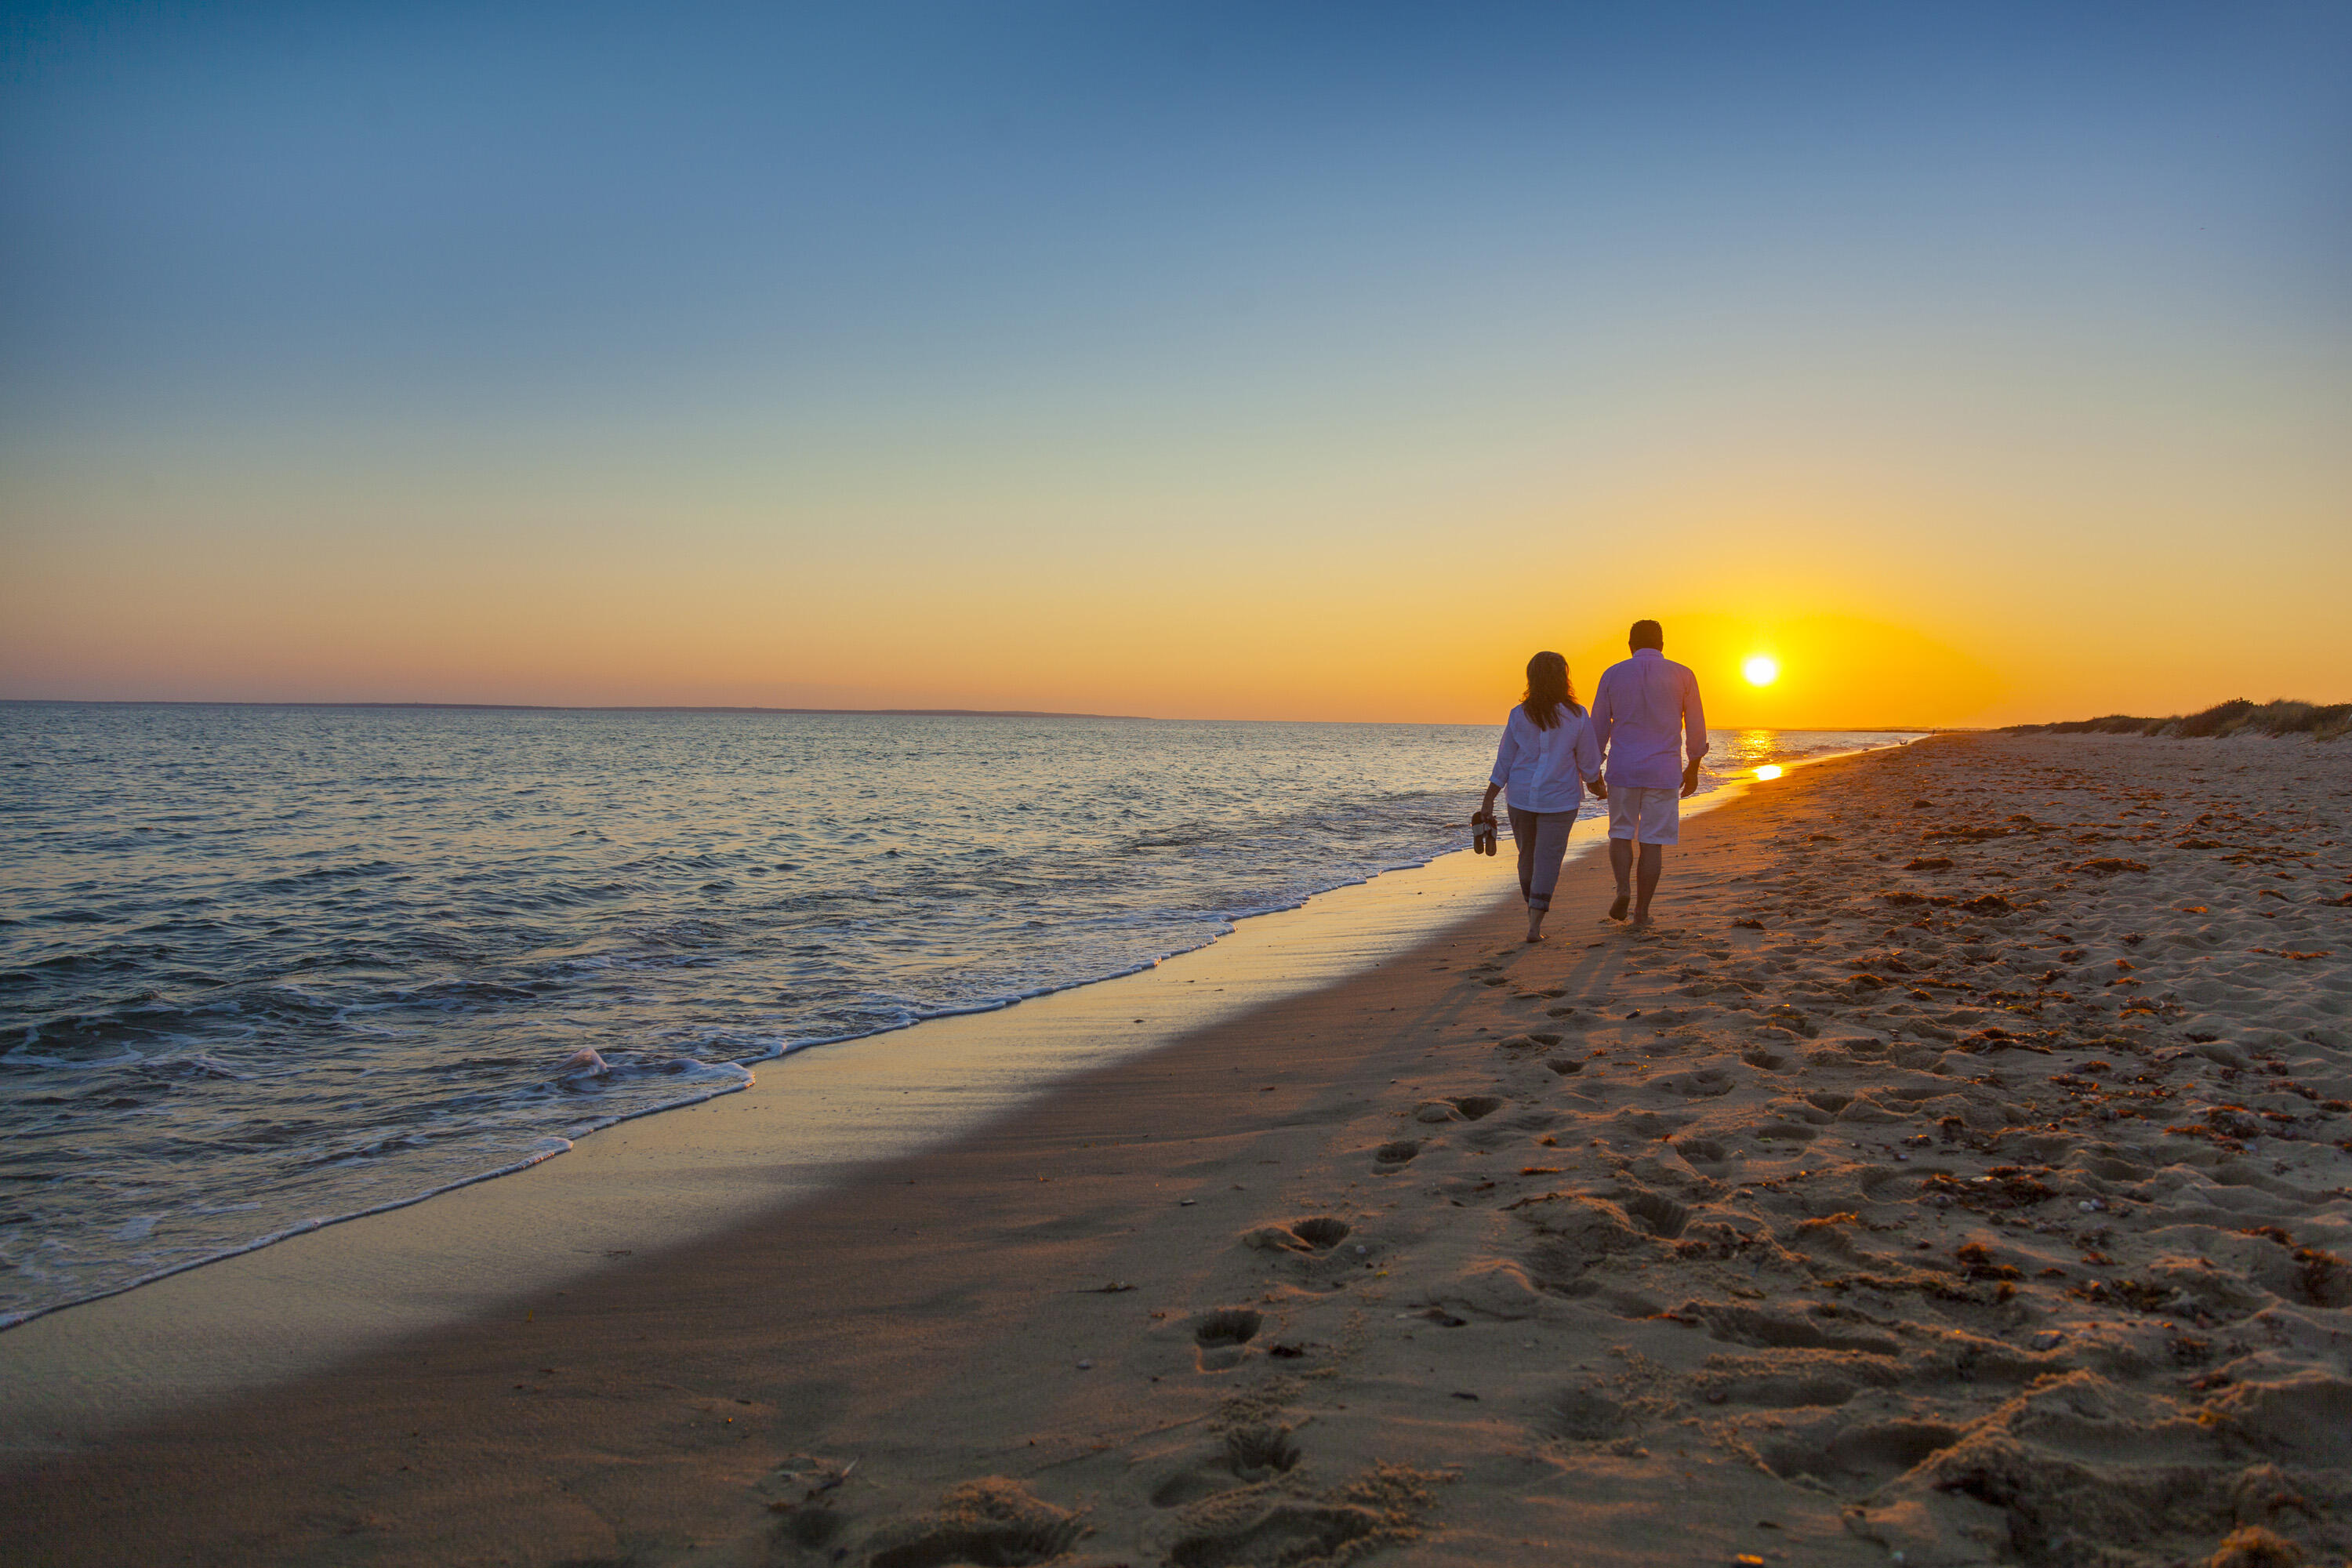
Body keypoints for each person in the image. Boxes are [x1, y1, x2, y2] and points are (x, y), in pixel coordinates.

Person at [1475, 651, 1603, 942]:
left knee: (1527, 858)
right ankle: (1534, 924)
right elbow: (1588, 763)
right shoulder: (1577, 715)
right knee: (1548, 860)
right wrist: (1597, 786)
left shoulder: (1519, 714)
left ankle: (1532, 907)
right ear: (1563, 678)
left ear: (1531, 678)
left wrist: (1489, 798)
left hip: (1520, 798)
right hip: (1560, 800)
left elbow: (1504, 761)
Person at [1588, 619, 1708, 927]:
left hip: (1623, 769)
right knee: (1652, 842)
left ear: (1630, 645)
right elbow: (1696, 728)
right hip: (1663, 771)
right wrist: (1692, 768)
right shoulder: (1683, 674)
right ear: (1662, 646)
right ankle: (1641, 913)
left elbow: (1598, 727)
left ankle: (1623, 888)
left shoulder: (1613, 674)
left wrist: (1592, 771)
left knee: (1620, 833)